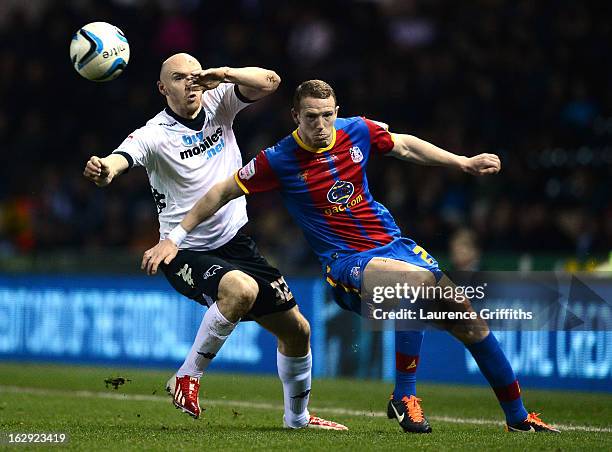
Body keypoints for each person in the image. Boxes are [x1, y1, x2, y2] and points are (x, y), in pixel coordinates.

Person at [143, 79, 560, 434]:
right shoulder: (279, 159)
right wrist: (175, 237)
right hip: (346, 262)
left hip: (393, 244)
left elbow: (405, 147)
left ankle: (518, 417)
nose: (321, 124)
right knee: (414, 284)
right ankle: (404, 395)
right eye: (311, 116)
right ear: (295, 116)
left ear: (336, 111)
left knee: (465, 315)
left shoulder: (357, 130)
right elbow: (220, 192)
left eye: (327, 115)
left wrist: (462, 162)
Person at [83, 58, 346, 431]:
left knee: (298, 331)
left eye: (193, 76)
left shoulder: (219, 100)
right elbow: (122, 158)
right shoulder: (154, 133)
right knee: (241, 289)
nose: (189, 84)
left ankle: (298, 419)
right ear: (163, 89)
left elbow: (270, 80)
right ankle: (187, 376)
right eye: (178, 79)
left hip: (237, 244)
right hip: (181, 249)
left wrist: (222, 75)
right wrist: (105, 169)